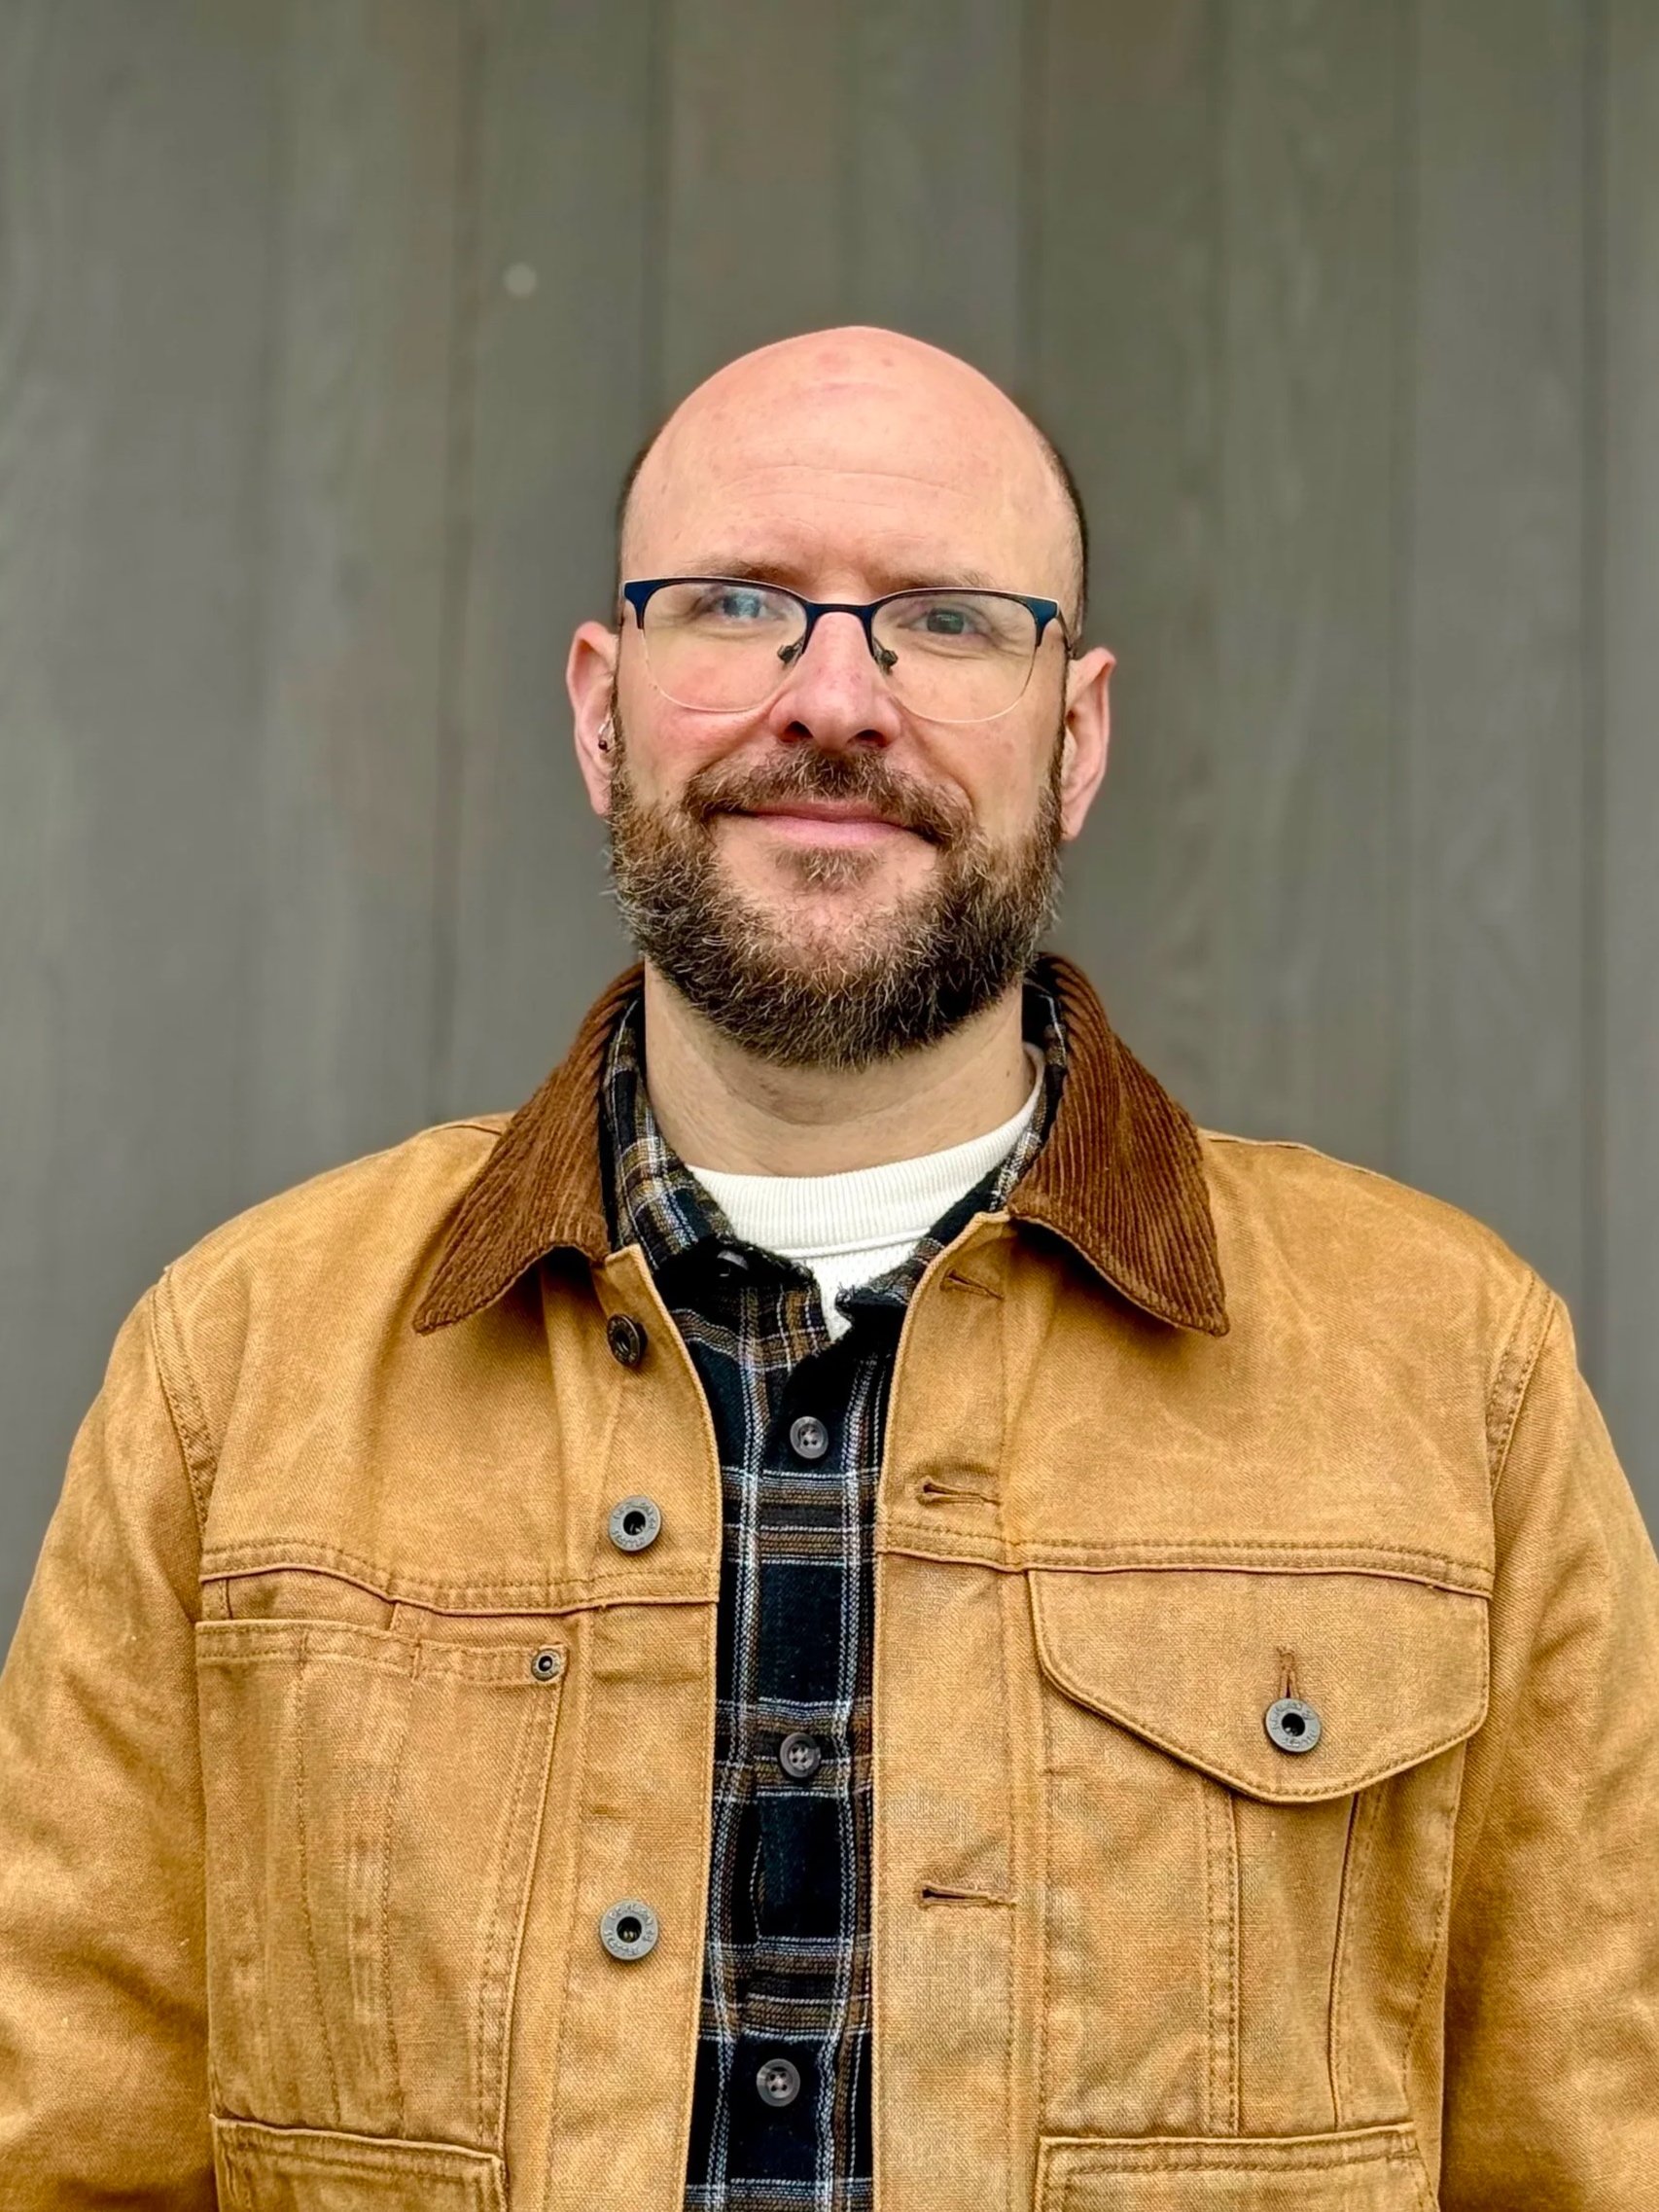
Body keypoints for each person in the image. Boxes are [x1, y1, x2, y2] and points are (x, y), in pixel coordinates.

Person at [1, 325, 1654, 2210]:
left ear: (1076, 735)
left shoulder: (1451, 1374)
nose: (837, 699)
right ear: (601, 708)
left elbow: (1595, 2153)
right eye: (736, 603)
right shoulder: (235, 1372)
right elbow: (68, 2154)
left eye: (945, 620)